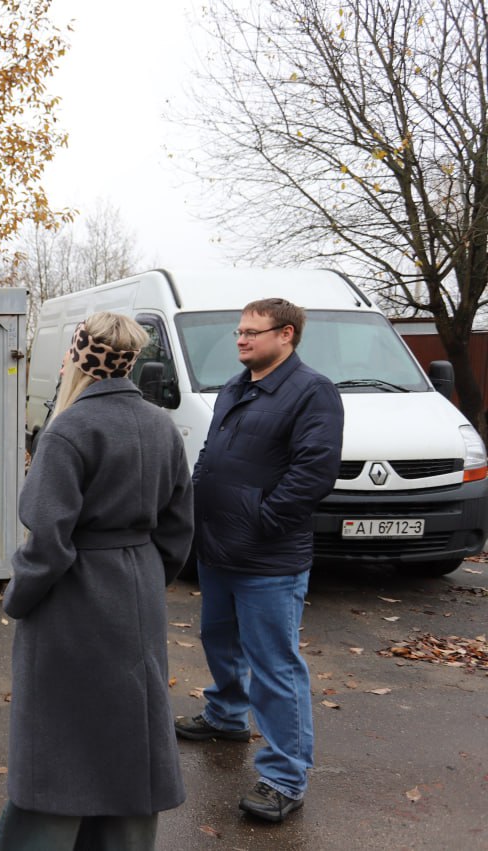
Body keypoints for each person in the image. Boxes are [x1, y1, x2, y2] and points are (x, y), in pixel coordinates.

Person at [0, 313, 194, 850]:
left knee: (60, 741)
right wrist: (145, 577)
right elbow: (178, 529)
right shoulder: (161, 424)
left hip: (73, 601)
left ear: (80, 358)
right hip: (138, 593)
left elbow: (48, 541)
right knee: (131, 732)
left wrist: (18, 599)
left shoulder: (69, 430)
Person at [175, 298, 344, 823]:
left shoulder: (312, 392)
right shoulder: (236, 386)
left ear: (286, 334)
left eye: (252, 332)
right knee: (219, 641)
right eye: (239, 331)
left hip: (268, 557)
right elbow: (211, 454)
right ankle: (226, 716)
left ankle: (284, 777)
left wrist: (261, 521)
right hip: (218, 546)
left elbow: (313, 474)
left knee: (275, 666)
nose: (242, 339)